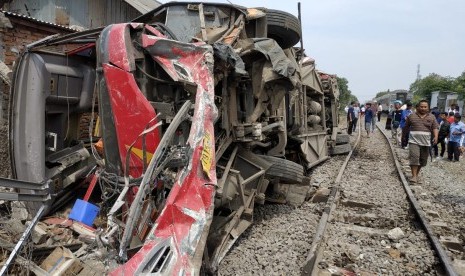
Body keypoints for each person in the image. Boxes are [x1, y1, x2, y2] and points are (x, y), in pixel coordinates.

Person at [402, 100, 438, 184]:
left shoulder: (432, 117)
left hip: (425, 142)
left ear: (428, 108)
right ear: (418, 107)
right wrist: (403, 136)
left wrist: (436, 136)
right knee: (414, 157)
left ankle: (416, 175)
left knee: (423, 160)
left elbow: (435, 127)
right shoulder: (411, 116)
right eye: (421, 106)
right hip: (413, 141)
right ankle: (414, 176)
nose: (423, 108)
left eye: (425, 107)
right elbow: (406, 127)